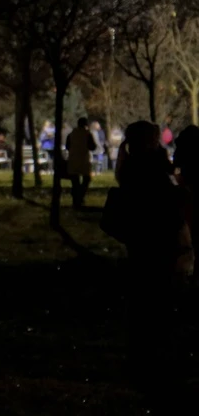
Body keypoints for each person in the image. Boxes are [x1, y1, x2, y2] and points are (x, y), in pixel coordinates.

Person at [101, 121, 192, 411]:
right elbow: (171, 202)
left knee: (142, 303)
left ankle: (142, 359)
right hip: (161, 244)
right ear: (151, 141)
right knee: (161, 304)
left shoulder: (129, 168)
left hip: (140, 245)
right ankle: (158, 364)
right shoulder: (155, 169)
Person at [65, 117, 99, 208]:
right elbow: (92, 147)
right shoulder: (87, 134)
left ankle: (76, 199)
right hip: (83, 159)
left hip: (72, 159)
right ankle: (80, 197)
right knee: (86, 179)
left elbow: (67, 146)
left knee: (75, 181)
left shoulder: (71, 134)